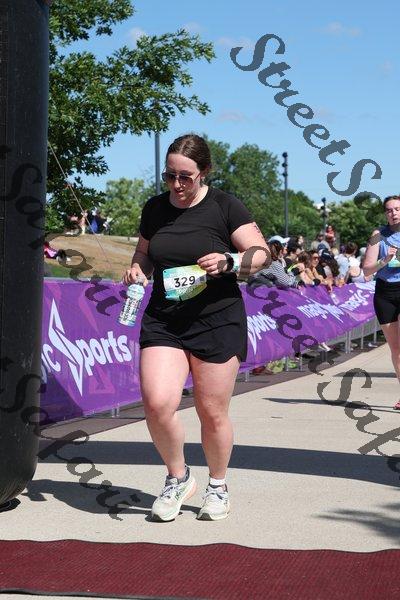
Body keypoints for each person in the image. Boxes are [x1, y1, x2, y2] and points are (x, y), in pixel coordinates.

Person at [122, 134, 270, 521]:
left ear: (204, 172)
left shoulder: (224, 206)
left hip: (216, 320)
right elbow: (144, 251)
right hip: (165, 319)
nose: (176, 184)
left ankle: (217, 485)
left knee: (211, 411)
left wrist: (229, 260)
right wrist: (138, 268)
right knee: (157, 404)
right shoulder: (155, 208)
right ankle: (178, 477)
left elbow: (261, 254)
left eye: (185, 177)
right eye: (169, 175)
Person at [363, 195, 400, 410]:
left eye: (397, 209)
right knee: (396, 349)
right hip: (385, 293)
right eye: (389, 210)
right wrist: (384, 261)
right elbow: (367, 270)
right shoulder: (378, 235)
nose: (393, 213)